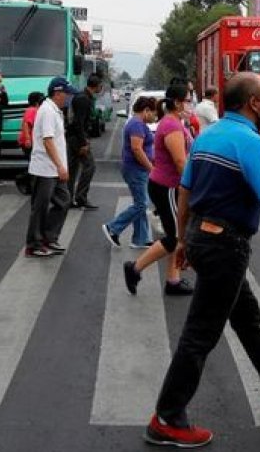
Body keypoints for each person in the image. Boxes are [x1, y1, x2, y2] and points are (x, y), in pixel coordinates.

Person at [144, 72, 260, 448]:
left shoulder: (208, 135)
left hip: (202, 236)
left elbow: (185, 190)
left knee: (247, 319)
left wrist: (182, 240)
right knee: (200, 335)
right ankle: (167, 417)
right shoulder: (251, 143)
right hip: (225, 245)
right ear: (251, 103)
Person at [123, 84, 195, 297]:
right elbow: (180, 162)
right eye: (188, 99)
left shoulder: (174, 122)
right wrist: (195, 186)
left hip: (167, 186)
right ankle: (134, 268)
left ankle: (173, 280)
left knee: (176, 234)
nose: (190, 104)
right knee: (174, 238)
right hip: (168, 187)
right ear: (177, 102)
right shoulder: (172, 125)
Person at [24, 77, 77, 258]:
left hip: (55, 168)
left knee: (63, 201)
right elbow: (47, 141)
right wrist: (60, 166)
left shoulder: (55, 111)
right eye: (67, 94)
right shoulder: (47, 111)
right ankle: (34, 244)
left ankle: (49, 237)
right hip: (45, 168)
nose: (69, 97)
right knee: (40, 207)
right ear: (57, 93)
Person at [102, 96, 157, 249]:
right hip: (135, 169)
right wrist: (150, 168)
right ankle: (113, 228)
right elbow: (137, 149)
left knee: (140, 202)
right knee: (141, 204)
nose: (155, 117)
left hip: (137, 169)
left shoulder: (137, 124)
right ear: (146, 111)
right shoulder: (137, 125)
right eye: (154, 113)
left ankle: (140, 238)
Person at [66, 73, 102, 210]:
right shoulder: (83, 99)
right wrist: (83, 143)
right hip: (77, 138)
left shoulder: (83, 96)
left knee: (73, 168)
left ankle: (69, 198)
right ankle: (81, 197)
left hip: (74, 137)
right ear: (97, 86)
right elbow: (78, 123)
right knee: (89, 166)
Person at [19, 91, 46, 157]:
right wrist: (28, 139)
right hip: (30, 141)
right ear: (37, 102)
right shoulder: (32, 110)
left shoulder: (35, 110)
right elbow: (26, 125)